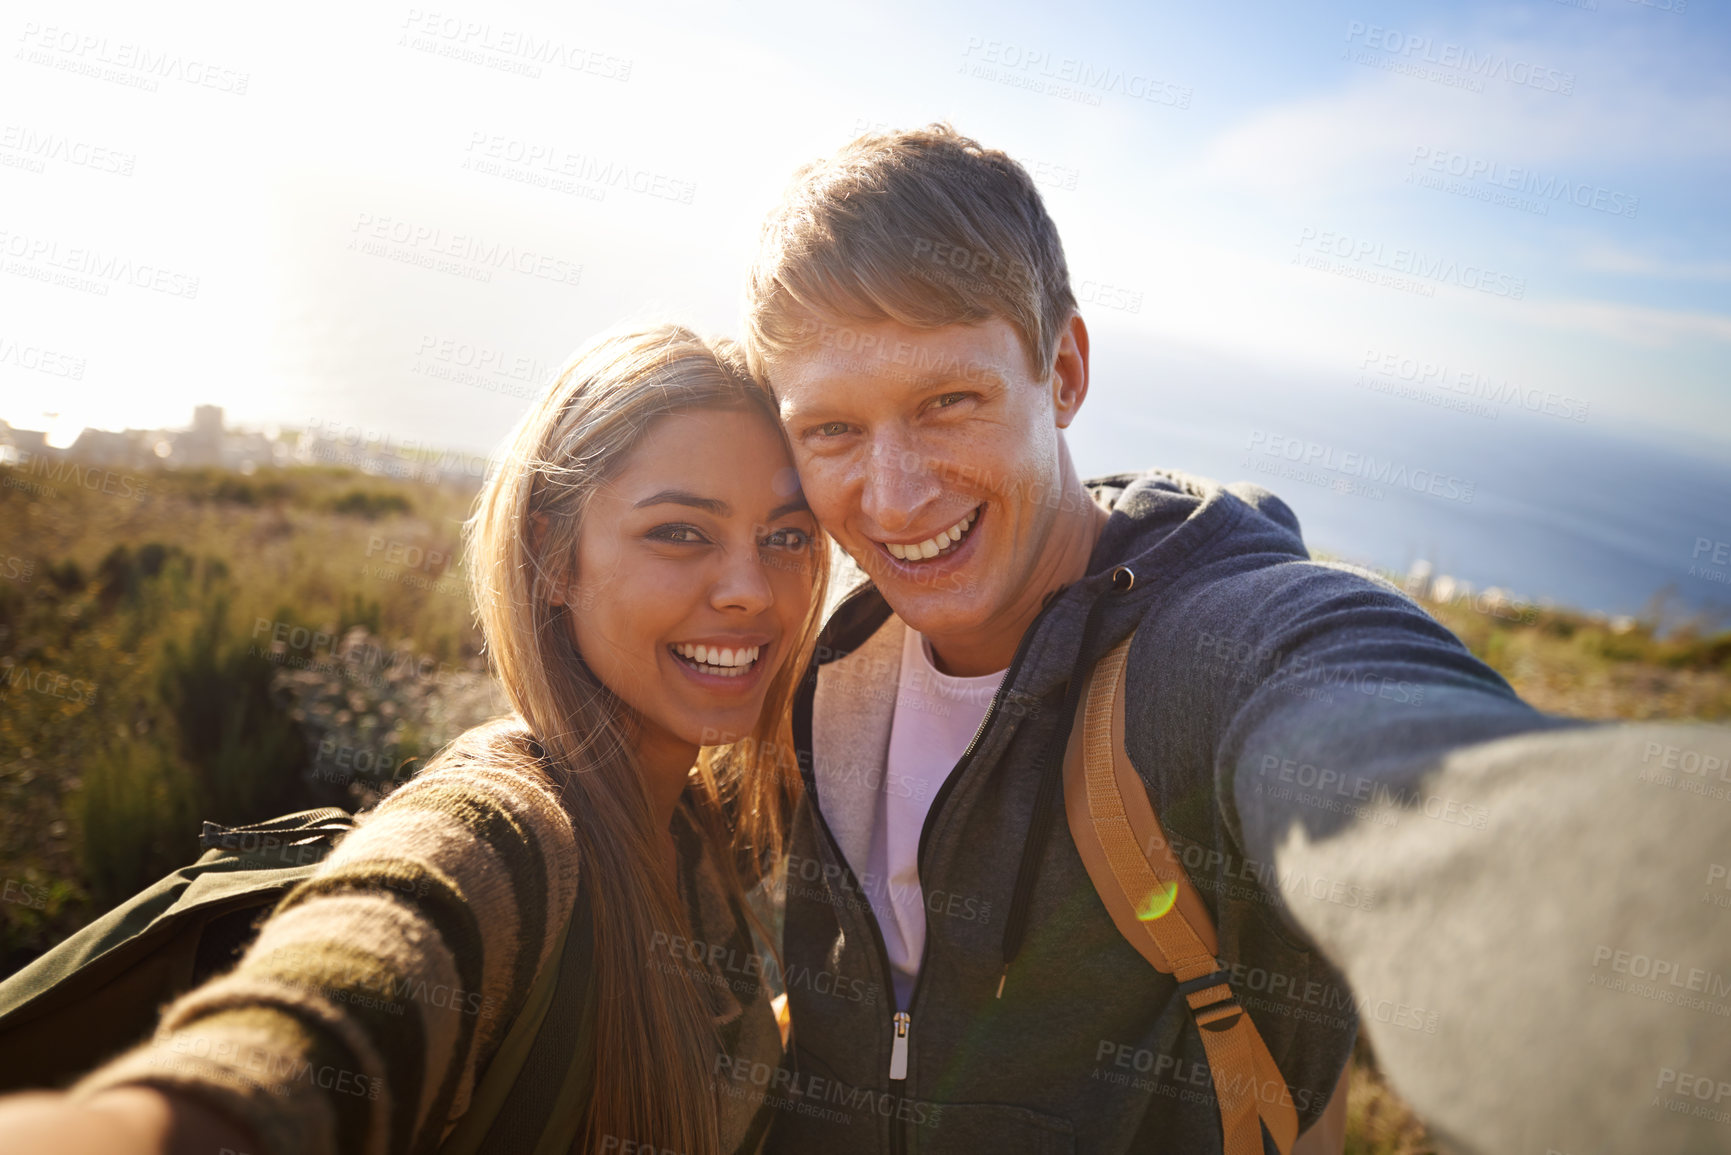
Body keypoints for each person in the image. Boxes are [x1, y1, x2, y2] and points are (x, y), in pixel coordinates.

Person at [737, 124, 1731, 1153]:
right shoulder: (834, 669)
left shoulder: (1209, 650)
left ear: (1064, 370)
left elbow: (1369, 724)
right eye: (833, 432)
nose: (893, 497)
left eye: (948, 401)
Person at [0, 325, 829, 1155]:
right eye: (681, 531)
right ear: (551, 557)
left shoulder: (694, 821)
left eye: (786, 536)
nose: (750, 591)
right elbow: (304, 1026)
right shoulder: (502, 832)